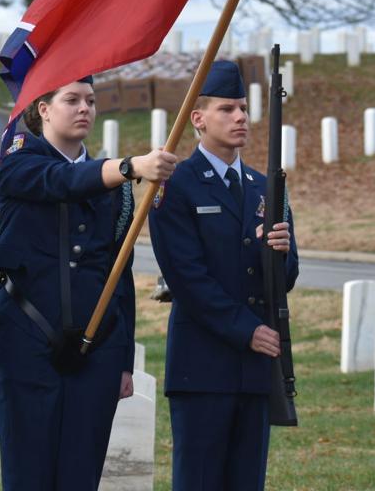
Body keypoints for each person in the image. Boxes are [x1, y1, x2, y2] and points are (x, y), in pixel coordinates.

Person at [0, 77, 177, 489]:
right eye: (71, 100)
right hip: (27, 339)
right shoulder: (17, 159)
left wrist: (124, 360)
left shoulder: (114, 186)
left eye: (90, 101)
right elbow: (60, 181)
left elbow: (118, 273)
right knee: (28, 473)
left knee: (82, 472)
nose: (84, 109)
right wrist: (130, 167)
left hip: (98, 347)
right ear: (43, 109)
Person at [148, 60, 299, 491]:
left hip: (255, 366)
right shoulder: (176, 186)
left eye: (244, 109)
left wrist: (280, 253)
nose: (241, 118)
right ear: (199, 119)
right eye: (227, 109)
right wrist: (246, 330)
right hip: (203, 364)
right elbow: (187, 278)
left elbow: (285, 274)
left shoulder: (261, 185)